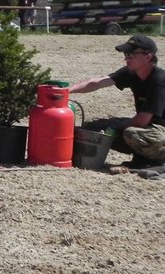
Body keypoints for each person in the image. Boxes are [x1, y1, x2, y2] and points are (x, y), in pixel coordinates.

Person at [69, 35, 165, 176]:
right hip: (150, 127)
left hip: (159, 129)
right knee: (93, 128)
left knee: (130, 133)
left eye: (132, 54)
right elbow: (98, 82)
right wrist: (67, 90)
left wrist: (113, 128)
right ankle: (142, 158)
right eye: (126, 54)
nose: (127, 58)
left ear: (148, 57)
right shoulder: (131, 72)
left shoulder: (159, 80)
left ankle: (156, 162)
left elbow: (143, 120)